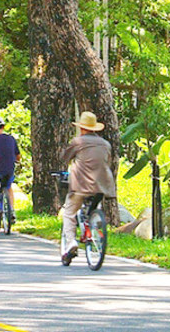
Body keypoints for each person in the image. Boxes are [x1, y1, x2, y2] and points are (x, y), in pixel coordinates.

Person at [59, 111, 117, 263]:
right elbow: (107, 162)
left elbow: (65, 157)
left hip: (80, 185)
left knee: (69, 212)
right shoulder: (106, 144)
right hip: (102, 185)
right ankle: (94, 228)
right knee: (93, 208)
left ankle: (71, 242)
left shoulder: (77, 142)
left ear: (82, 128)